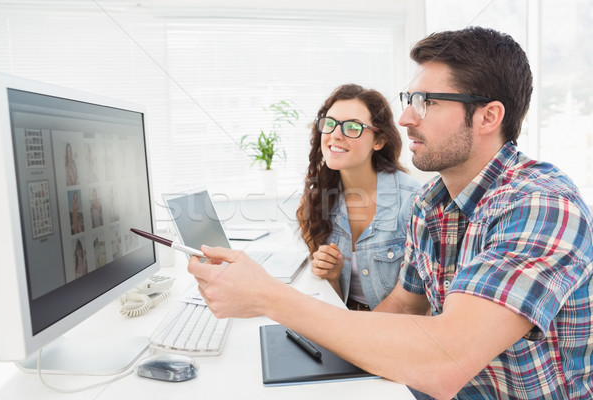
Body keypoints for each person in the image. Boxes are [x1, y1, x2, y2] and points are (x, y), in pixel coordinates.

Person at [187, 27, 593, 399]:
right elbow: (403, 305)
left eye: (427, 102)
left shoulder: (541, 205)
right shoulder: (432, 203)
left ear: (489, 116)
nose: (405, 117)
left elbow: (444, 361)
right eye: (410, 100)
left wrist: (269, 297)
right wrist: (329, 350)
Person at [297, 84, 421, 310]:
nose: (335, 135)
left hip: (395, 332)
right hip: (346, 319)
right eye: (330, 123)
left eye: (352, 127)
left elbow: (418, 307)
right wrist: (333, 277)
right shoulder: (321, 196)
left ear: (379, 141)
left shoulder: (413, 200)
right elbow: (336, 300)